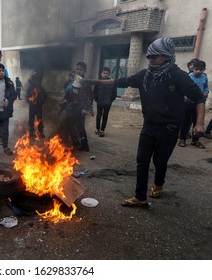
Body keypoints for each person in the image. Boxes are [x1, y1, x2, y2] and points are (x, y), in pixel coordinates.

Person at [89, 38, 205, 207]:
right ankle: (140, 197)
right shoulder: (145, 75)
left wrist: (200, 123)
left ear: (166, 56)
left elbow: (199, 98)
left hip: (169, 127)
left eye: (154, 56)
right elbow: (121, 82)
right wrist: (93, 81)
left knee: (160, 161)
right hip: (149, 125)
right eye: (149, 56)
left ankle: (159, 184)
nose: (150, 59)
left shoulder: (178, 76)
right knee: (142, 160)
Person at [60, 62, 94, 151]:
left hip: (80, 108)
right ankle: (75, 143)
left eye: (81, 70)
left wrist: (86, 108)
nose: (79, 71)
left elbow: (90, 97)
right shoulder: (73, 82)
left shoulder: (86, 83)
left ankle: (84, 146)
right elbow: (71, 95)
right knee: (70, 126)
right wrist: (65, 101)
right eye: (77, 69)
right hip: (71, 108)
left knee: (80, 127)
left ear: (85, 71)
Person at [178, 60, 208, 149]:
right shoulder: (188, 77)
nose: (198, 71)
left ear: (204, 69)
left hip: (199, 104)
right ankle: (182, 139)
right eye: (196, 69)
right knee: (185, 121)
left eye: (201, 69)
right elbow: (183, 88)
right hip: (188, 102)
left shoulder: (204, 77)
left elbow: (206, 87)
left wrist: (206, 92)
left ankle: (195, 140)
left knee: (197, 122)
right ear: (193, 69)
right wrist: (185, 97)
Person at [93, 67, 117, 137]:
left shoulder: (111, 83)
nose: (105, 75)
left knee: (105, 116)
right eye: (104, 73)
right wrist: (96, 99)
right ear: (101, 74)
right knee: (98, 115)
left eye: (107, 73)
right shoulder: (98, 82)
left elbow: (114, 93)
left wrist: (110, 100)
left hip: (107, 103)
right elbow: (94, 92)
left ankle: (102, 130)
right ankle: (97, 129)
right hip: (99, 102)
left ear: (109, 74)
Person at [25, 72, 47, 138]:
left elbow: (45, 95)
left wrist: (42, 102)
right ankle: (31, 132)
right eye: (34, 79)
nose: (35, 81)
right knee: (31, 120)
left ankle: (41, 132)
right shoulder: (30, 88)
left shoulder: (40, 88)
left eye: (37, 80)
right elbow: (27, 96)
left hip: (39, 107)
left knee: (39, 119)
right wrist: (29, 101)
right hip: (32, 107)